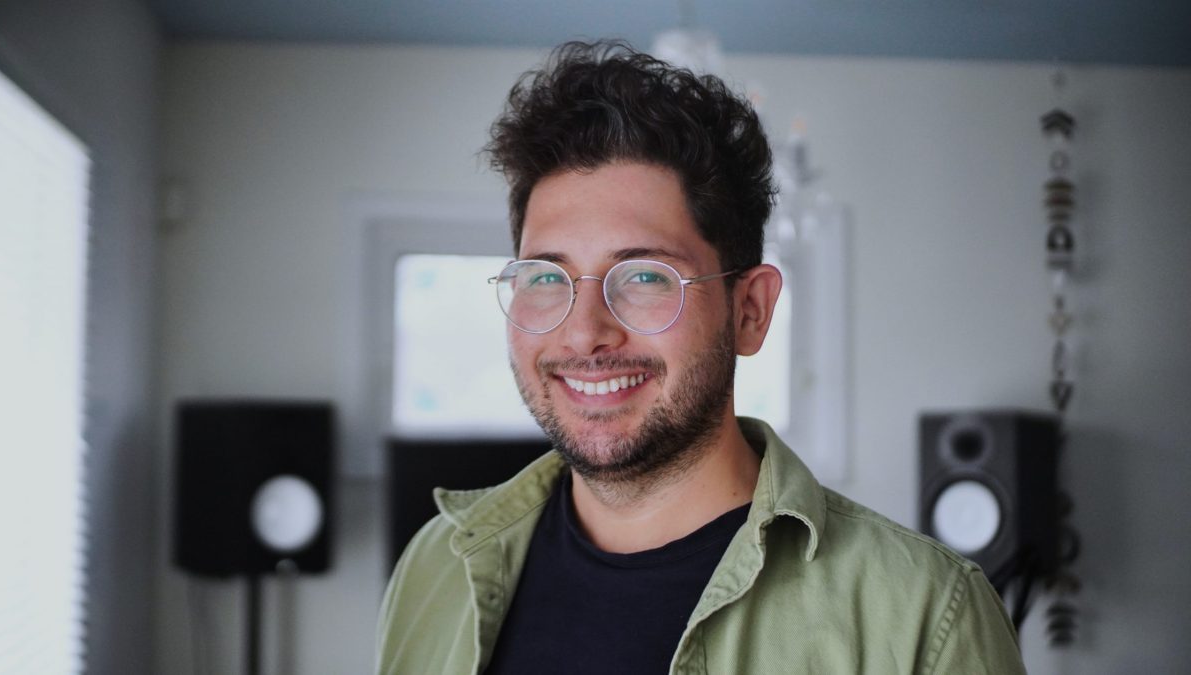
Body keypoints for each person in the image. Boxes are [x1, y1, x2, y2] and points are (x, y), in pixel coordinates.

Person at [376, 40, 1026, 675]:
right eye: (547, 278)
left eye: (645, 276)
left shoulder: (924, 618)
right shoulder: (437, 568)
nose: (583, 334)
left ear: (751, 310)